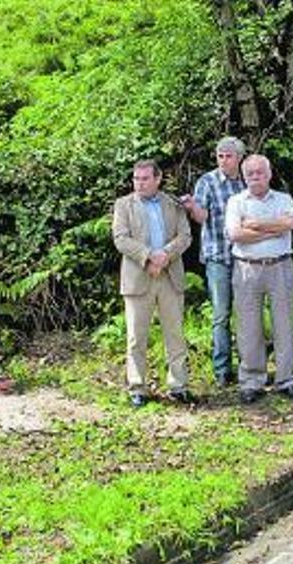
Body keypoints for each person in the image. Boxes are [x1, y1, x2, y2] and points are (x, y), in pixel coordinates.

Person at [111, 159, 194, 407]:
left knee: (175, 334)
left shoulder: (173, 204)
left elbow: (185, 235)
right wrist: (148, 256)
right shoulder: (124, 205)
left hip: (169, 275)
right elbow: (121, 238)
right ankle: (137, 387)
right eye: (136, 179)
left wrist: (165, 255)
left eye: (145, 178)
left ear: (158, 179)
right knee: (136, 336)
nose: (140, 183)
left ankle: (179, 386)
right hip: (138, 277)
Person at [224, 154, 293, 404]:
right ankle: (252, 381)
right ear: (244, 176)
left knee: (283, 324)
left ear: (269, 174)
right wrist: (274, 229)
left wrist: (257, 225)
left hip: (280, 267)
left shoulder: (284, 198)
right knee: (248, 328)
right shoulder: (236, 202)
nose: (255, 177)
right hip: (247, 269)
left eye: (260, 172)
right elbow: (235, 234)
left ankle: (286, 379)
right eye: (250, 174)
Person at [182, 137, 247, 387]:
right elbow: (202, 216)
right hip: (217, 256)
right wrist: (191, 207)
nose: (223, 160)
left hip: (244, 255)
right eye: (220, 156)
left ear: (239, 158)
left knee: (246, 312)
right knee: (221, 314)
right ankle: (222, 370)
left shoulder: (245, 181)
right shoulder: (207, 181)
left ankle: (247, 365)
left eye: (228, 156)